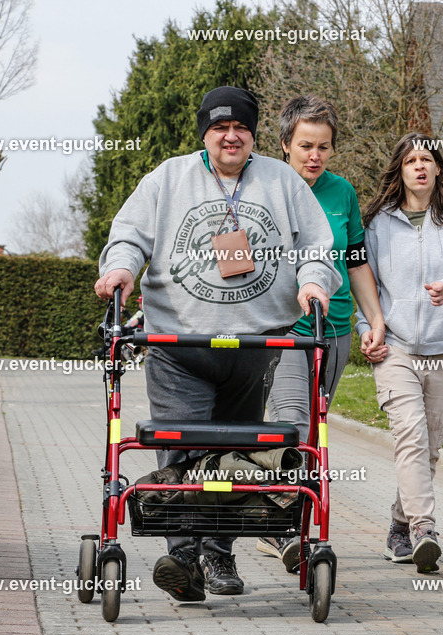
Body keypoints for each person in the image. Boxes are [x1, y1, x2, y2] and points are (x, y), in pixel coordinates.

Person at [94, 86, 340, 602]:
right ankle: (184, 559)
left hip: (256, 347)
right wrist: (119, 269)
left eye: (241, 129)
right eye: (220, 129)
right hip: (179, 345)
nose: (231, 137)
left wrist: (315, 281)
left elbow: (317, 244)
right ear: (205, 133)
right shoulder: (168, 177)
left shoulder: (281, 180)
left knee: (233, 452)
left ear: (253, 136)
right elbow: (129, 233)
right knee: (184, 447)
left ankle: (219, 552)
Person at [257, 95, 386, 571]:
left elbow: (354, 261)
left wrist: (373, 318)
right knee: (293, 419)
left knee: (315, 427)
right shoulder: (260, 185)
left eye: (324, 147)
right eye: (306, 145)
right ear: (285, 144)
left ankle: (289, 525)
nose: (315, 156)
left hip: (331, 329)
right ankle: (282, 528)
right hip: (279, 328)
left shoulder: (342, 193)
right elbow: (232, 252)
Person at [356, 133, 443, 573]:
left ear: (438, 168)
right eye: (411, 160)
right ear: (401, 169)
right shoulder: (377, 221)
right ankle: (423, 529)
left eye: (427, 159)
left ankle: (397, 524)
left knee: (429, 445)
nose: (420, 167)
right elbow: (363, 280)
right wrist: (364, 328)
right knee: (410, 433)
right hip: (395, 346)